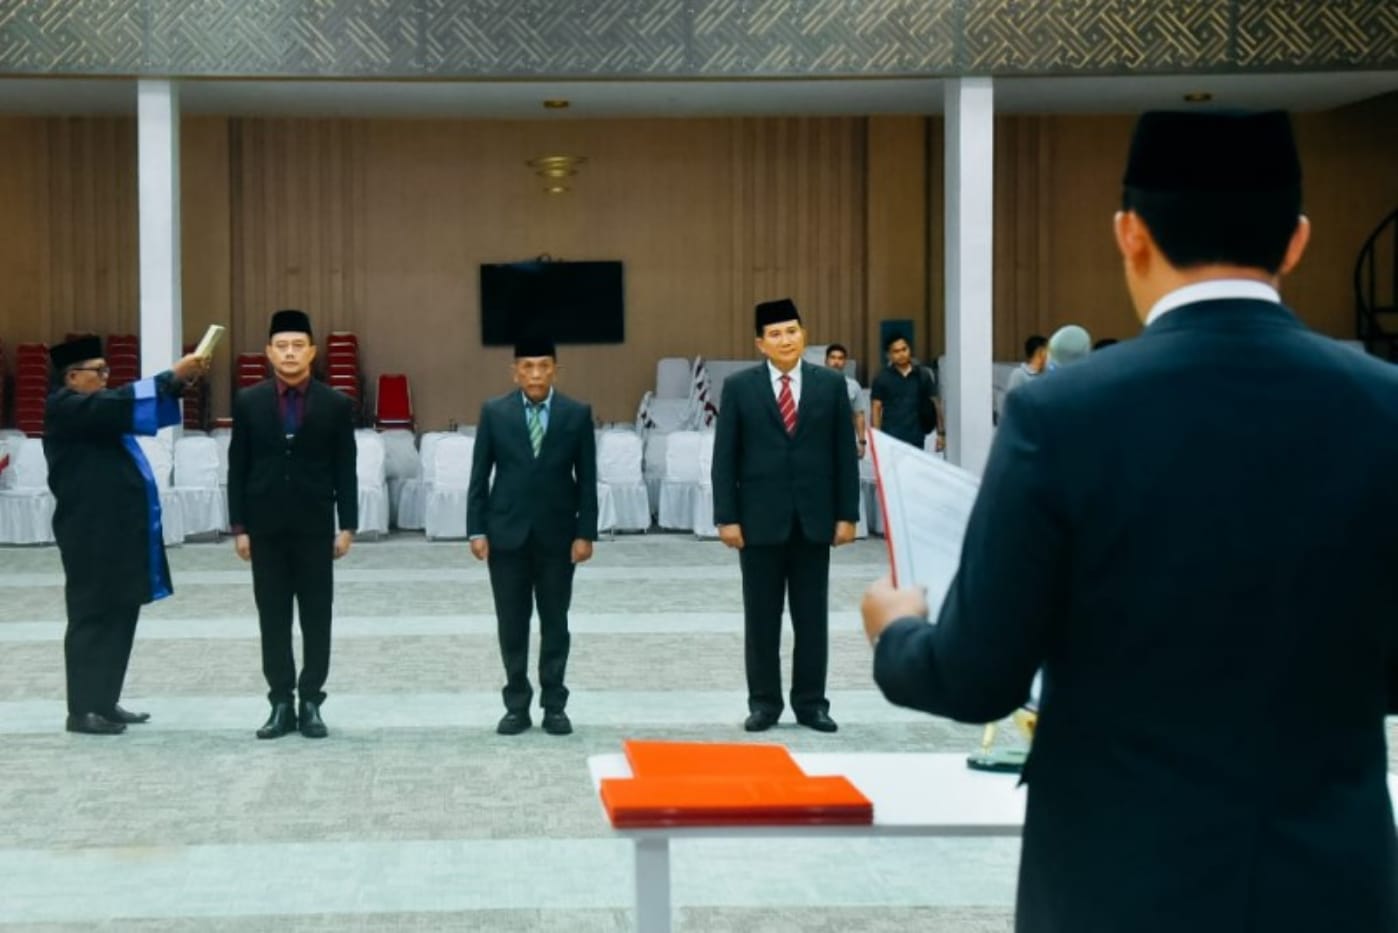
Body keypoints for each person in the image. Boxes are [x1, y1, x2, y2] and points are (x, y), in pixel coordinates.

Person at [861, 110, 1398, 932]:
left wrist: (896, 631)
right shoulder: (1382, 408)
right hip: (1330, 884)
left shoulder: (1061, 415)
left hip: (1118, 884)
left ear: (1130, 234)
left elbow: (976, 676)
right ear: (1296, 241)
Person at [43, 335, 209, 734]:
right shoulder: (66, 407)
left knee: (121, 614)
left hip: (118, 534)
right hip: (90, 535)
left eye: (106, 370)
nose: (105, 377)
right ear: (71, 376)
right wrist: (171, 376)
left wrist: (177, 384)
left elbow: (132, 410)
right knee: (92, 618)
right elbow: (118, 403)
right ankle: (82, 709)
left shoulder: (95, 411)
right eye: (97, 371)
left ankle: (104, 701)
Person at [712, 299, 860, 733]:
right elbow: (725, 458)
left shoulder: (830, 384)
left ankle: (812, 704)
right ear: (761, 343)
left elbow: (843, 454)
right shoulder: (739, 388)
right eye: (775, 334)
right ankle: (764, 704)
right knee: (762, 620)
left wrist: (847, 514)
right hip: (758, 523)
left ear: (804, 335)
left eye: (792, 331)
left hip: (814, 521)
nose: (785, 340)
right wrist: (726, 517)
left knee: (812, 619)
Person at [228, 309, 357, 740]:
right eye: (281, 346)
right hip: (264, 529)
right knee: (273, 617)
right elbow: (238, 466)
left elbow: (345, 468)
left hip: (314, 528)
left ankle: (312, 701)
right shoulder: (249, 402)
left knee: (317, 617)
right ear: (268, 352)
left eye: (298, 345)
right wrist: (239, 527)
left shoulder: (335, 404)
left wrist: (348, 525)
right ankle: (280, 702)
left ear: (312, 352)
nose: (289, 353)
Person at [468, 337, 598, 736]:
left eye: (544, 366)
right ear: (515, 372)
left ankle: (554, 705)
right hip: (506, 535)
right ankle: (516, 705)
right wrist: (476, 529)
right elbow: (479, 475)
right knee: (512, 624)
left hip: (558, 537)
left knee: (555, 623)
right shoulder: (495, 412)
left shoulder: (576, 413)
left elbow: (587, 479)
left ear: (556, 370)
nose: (536, 374)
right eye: (528, 366)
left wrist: (586, 532)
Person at [870, 332, 942, 451]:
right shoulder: (882, 378)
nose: (901, 354)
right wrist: (877, 439)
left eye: (904, 349)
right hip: (891, 438)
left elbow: (935, 404)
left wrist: (941, 434)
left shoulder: (923, 375)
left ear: (910, 350)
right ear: (889, 355)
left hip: (917, 437)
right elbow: (876, 408)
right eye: (896, 351)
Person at [824, 342, 867, 456]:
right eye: (833, 358)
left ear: (845, 362)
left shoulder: (853, 386)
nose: (836, 362)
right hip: (820, 442)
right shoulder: (814, 383)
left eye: (840, 358)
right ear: (826, 360)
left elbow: (859, 415)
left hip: (845, 441)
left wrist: (862, 442)